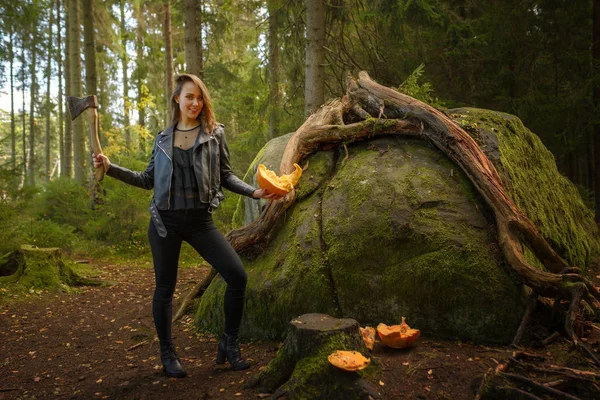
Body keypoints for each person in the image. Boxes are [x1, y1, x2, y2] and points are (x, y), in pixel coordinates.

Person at [93, 73, 281, 378]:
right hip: (164, 223)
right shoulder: (162, 138)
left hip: (200, 222)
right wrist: (110, 168)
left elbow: (225, 176)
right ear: (176, 99)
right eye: (189, 96)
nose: (195, 102)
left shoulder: (214, 134)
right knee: (165, 290)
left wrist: (254, 191)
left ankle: (229, 343)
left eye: (199, 97)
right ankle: (167, 352)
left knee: (237, 275)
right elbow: (147, 180)